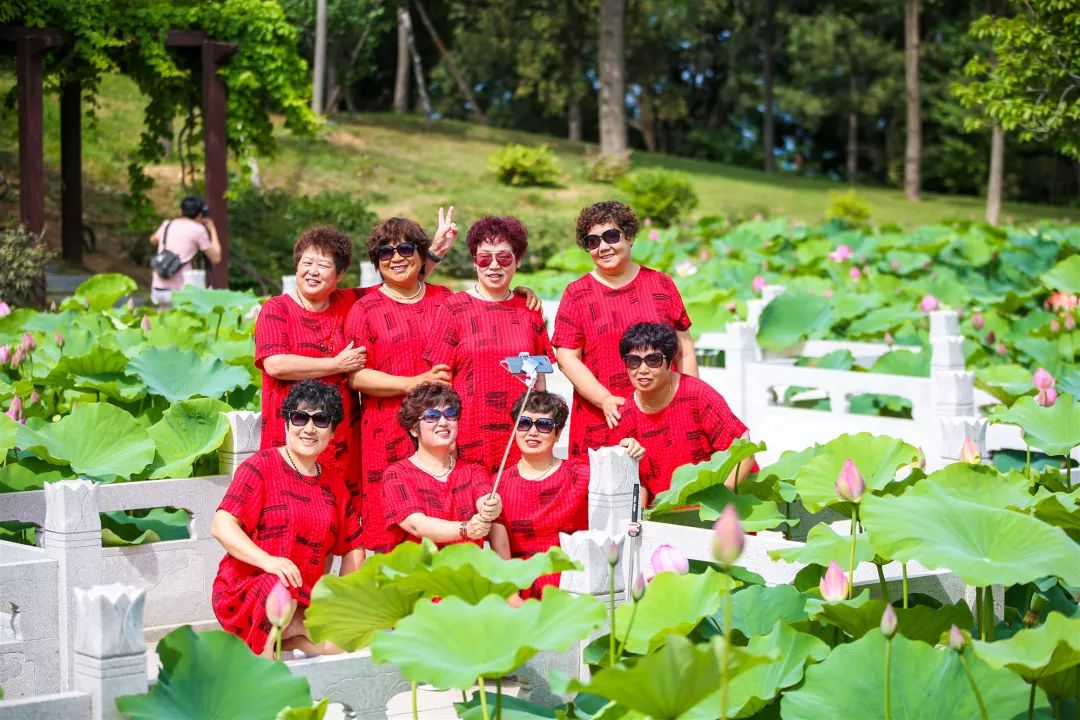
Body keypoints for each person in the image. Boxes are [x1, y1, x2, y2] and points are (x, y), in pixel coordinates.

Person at [256, 218, 458, 514]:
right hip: (292, 431)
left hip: (340, 440)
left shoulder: (349, 302)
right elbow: (276, 364)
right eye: (306, 263)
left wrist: (435, 252)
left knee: (334, 522)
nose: (312, 271)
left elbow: (398, 279)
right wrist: (336, 364)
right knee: (287, 513)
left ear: (339, 275)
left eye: (323, 266)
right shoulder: (276, 308)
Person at [211, 380, 364, 657]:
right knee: (280, 590)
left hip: (302, 597)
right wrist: (269, 562)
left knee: (347, 639)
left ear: (332, 431)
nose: (309, 428)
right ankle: (267, 673)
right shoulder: (260, 467)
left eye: (320, 420)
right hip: (250, 587)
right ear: (286, 423)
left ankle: (286, 635)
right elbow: (222, 526)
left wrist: (341, 601)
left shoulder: (333, 485)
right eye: (300, 417)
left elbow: (354, 545)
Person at [345, 216, 458, 554]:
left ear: (422, 254)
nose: (396, 258)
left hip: (440, 428)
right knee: (391, 532)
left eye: (406, 248)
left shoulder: (445, 300)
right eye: (385, 252)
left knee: (443, 521)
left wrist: (521, 294)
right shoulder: (364, 309)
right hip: (385, 430)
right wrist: (413, 383)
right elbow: (356, 376)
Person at [552, 200, 699, 460]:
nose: (603, 247)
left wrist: (691, 401)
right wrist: (604, 399)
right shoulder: (577, 294)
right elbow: (567, 358)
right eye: (593, 241)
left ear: (629, 237)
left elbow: (684, 350)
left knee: (672, 494)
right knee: (607, 495)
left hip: (664, 414)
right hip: (604, 418)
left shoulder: (661, 284)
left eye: (611, 236)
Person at [425, 215, 555, 475]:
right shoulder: (454, 308)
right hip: (467, 436)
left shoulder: (529, 310)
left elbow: (539, 382)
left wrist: (543, 432)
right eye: (485, 258)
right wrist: (444, 435)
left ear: (517, 261)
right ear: (475, 262)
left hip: (521, 436)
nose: (494, 265)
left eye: (504, 258)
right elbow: (439, 381)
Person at [499, 390, 644, 598]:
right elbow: (499, 551)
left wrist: (628, 450)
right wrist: (511, 597)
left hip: (574, 588)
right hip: (519, 590)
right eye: (524, 423)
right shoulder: (498, 484)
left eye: (544, 425)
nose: (532, 432)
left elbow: (616, 475)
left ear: (557, 434)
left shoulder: (580, 474)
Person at [608, 323, 754, 505]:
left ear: (670, 362)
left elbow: (745, 453)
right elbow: (637, 483)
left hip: (718, 508)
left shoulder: (698, 395)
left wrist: (717, 505)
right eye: (634, 361)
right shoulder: (625, 414)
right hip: (665, 516)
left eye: (653, 360)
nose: (642, 370)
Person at [381, 383, 509, 554]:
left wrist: (492, 506)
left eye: (450, 414)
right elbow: (416, 524)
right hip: (418, 577)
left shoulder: (473, 470)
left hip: (466, 576)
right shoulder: (397, 473)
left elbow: (484, 498)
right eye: (432, 416)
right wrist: (466, 529)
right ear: (413, 429)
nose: (443, 422)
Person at [148, 195, 222, 305]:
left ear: (181, 211)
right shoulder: (198, 230)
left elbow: (153, 240)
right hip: (180, 291)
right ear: (200, 214)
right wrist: (212, 229)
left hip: (158, 288)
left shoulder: (167, 224)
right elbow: (216, 258)